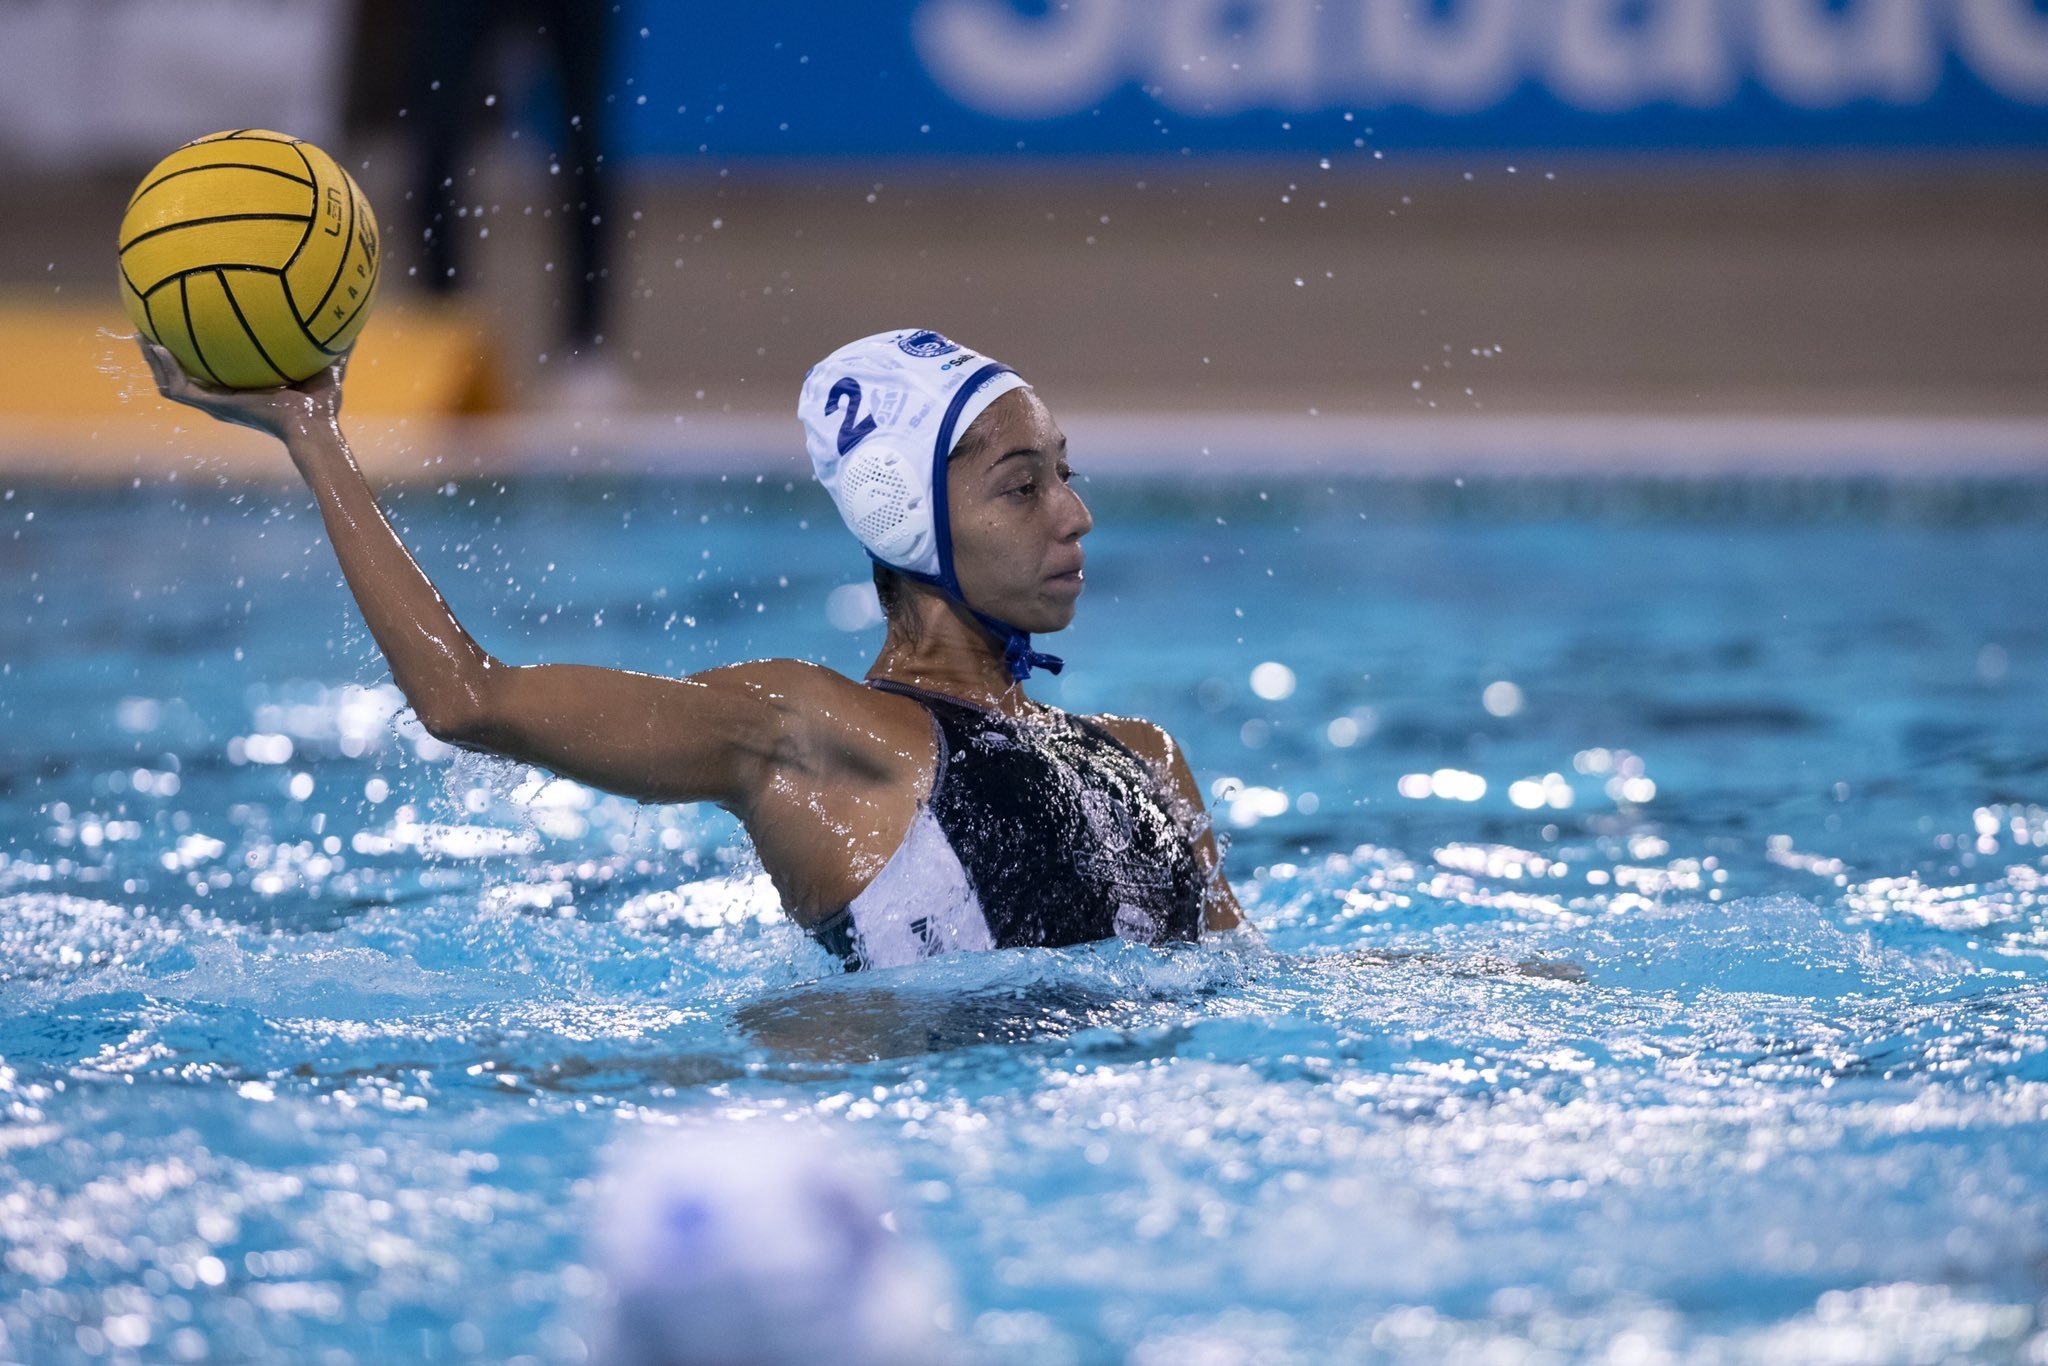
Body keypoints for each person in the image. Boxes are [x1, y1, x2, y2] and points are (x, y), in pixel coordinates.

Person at [136, 327, 1246, 970]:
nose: (1073, 514)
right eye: (1023, 484)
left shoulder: (1142, 757)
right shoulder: (808, 736)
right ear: (900, 514)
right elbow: (467, 698)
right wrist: (314, 433)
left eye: (1067, 471)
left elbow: (1245, 994)